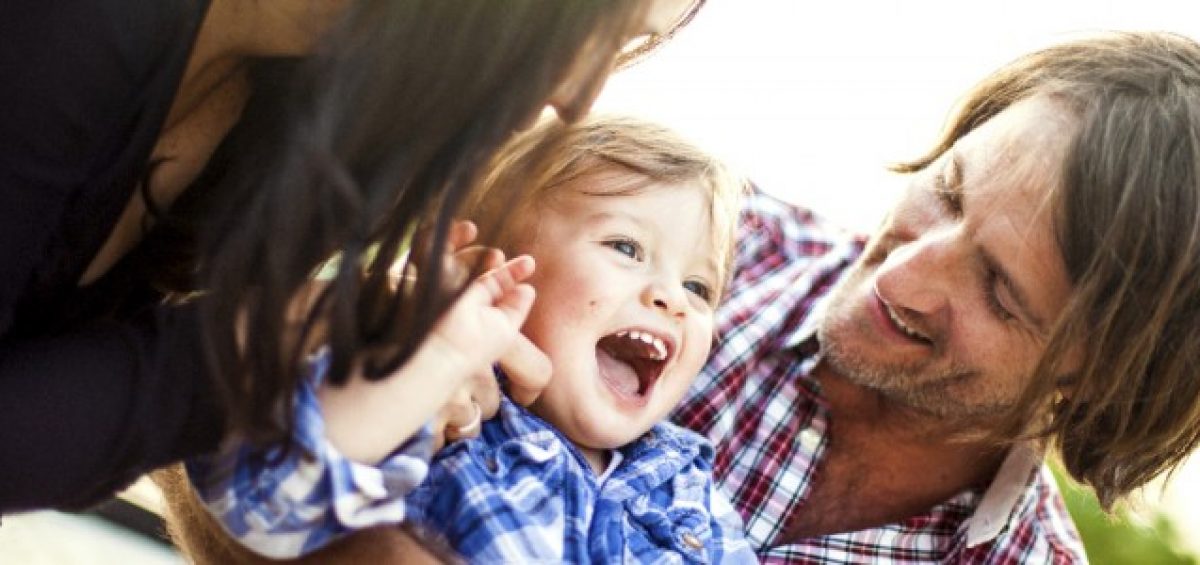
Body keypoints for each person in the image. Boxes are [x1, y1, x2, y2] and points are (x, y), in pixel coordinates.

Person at [0, 0, 707, 512]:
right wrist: (267, 345)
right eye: (598, 26)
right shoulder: (65, 30)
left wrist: (336, 333)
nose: (578, 100)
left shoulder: (281, 122)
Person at [670, 30, 1200, 562]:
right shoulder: (681, 239)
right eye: (948, 193)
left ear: (1104, 379)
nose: (898, 279)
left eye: (999, 292)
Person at [182, 115, 757, 563]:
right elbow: (264, 505)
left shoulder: (690, 488)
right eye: (626, 248)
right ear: (482, 265)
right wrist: (438, 359)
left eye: (699, 286)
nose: (672, 299)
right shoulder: (440, 409)